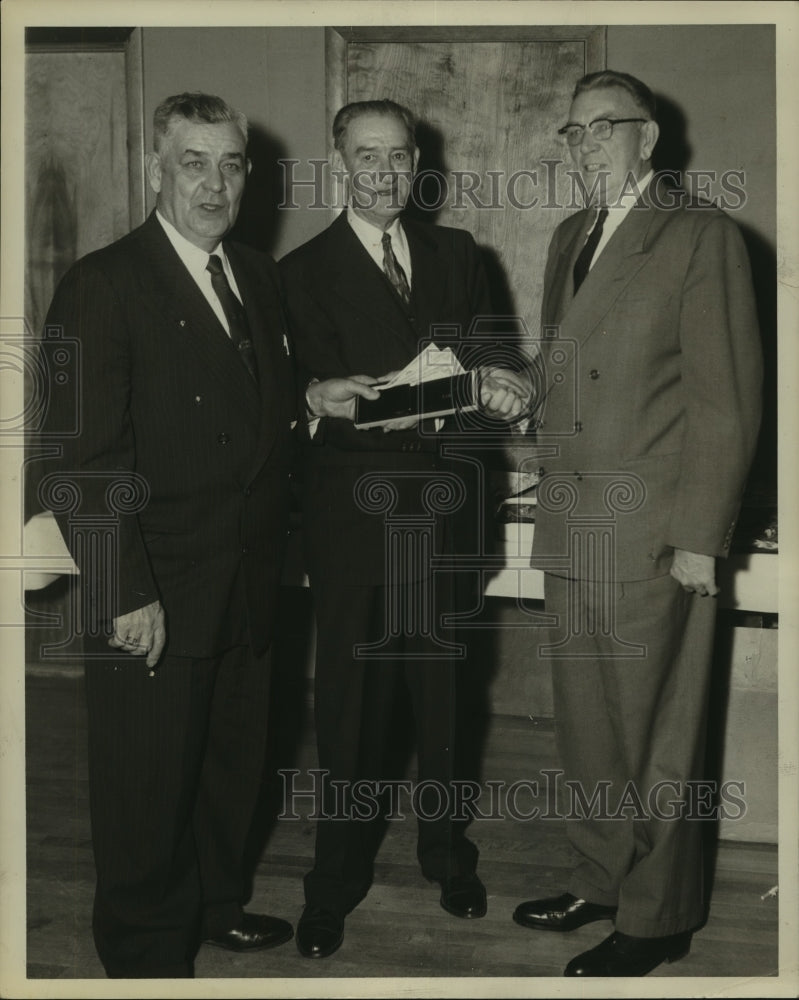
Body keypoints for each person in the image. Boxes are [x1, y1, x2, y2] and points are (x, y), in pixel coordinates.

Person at [35, 92, 297, 978]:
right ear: (156, 170)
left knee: (231, 771)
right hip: (156, 589)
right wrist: (125, 591)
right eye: (194, 162)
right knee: (145, 792)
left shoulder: (256, 276)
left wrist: (317, 402)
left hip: (247, 583)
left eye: (230, 164)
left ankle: (213, 904)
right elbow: (79, 459)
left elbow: (256, 410)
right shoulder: (102, 284)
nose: (214, 184)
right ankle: (147, 953)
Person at [512, 70, 763, 976]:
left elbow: (725, 402)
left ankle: (658, 917)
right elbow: (565, 380)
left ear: (646, 140)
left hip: (654, 531)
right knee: (586, 724)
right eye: (571, 133)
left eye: (602, 130)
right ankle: (599, 875)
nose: (583, 147)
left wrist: (701, 536)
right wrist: (513, 394)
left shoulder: (701, 236)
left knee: (657, 729)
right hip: (574, 523)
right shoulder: (567, 237)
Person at [279, 99, 531, 959]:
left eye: (397, 155)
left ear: (416, 160)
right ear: (338, 161)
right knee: (349, 716)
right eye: (365, 155)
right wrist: (335, 402)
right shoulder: (300, 270)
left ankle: (447, 857)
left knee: (444, 706)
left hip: (448, 517)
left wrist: (506, 385)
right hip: (355, 526)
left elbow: (494, 355)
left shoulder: (458, 253)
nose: (383, 171)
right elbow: (295, 400)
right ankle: (332, 884)